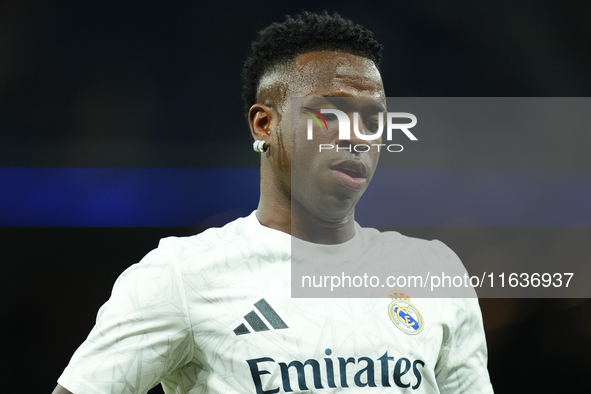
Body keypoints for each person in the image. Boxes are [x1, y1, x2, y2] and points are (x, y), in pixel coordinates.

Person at [53, 12, 494, 394]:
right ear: (265, 124)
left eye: (373, 118)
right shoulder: (182, 276)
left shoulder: (434, 270)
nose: (357, 135)